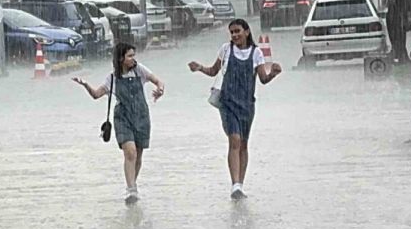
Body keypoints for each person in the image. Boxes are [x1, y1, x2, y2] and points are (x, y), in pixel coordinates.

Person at [188, 19, 282, 200]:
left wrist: (273, 73)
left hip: (247, 105)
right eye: (232, 32)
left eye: (238, 31)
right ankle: (235, 185)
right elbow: (213, 71)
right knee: (235, 140)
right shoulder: (226, 50)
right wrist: (199, 67)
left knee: (244, 144)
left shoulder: (256, 53)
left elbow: (263, 79)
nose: (234, 35)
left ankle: (240, 184)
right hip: (228, 103)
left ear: (247, 32)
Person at [72, 42, 165, 205]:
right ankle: (131, 190)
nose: (133, 59)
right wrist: (85, 84)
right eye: (130, 56)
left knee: (138, 155)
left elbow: (158, 81)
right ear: (121, 58)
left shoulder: (140, 70)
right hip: (122, 118)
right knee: (130, 152)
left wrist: (160, 90)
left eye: (134, 55)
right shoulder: (112, 78)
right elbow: (96, 94)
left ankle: (133, 185)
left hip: (141, 116)